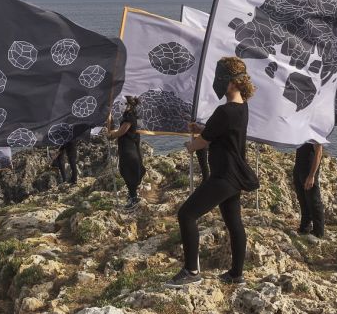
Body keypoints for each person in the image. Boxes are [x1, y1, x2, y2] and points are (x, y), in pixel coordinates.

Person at [166, 57, 259, 288]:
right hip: (235, 174)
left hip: (223, 176)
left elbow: (202, 143)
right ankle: (236, 275)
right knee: (234, 223)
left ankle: (191, 271)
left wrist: (191, 144)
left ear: (232, 83)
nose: (218, 83)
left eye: (221, 79)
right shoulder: (241, 107)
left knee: (186, 215)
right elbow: (220, 132)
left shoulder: (225, 111)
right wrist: (201, 129)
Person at [107, 96, 146, 209]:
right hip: (128, 148)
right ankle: (132, 196)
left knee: (128, 172)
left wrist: (111, 136)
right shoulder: (130, 115)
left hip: (128, 150)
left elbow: (122, 131)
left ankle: (133, 199)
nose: (120, 106)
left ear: (128, 104)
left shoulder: (129, 116)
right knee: (128, 172)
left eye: (122, 104)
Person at [293, 142, 325, 238]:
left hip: (309, 169)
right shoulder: (303, 128)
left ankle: (318, 233)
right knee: (302, 199)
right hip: (299, 167)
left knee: (314, 201)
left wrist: (312, 176)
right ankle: (304, 228)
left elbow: (318, 154)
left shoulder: (315, 131)